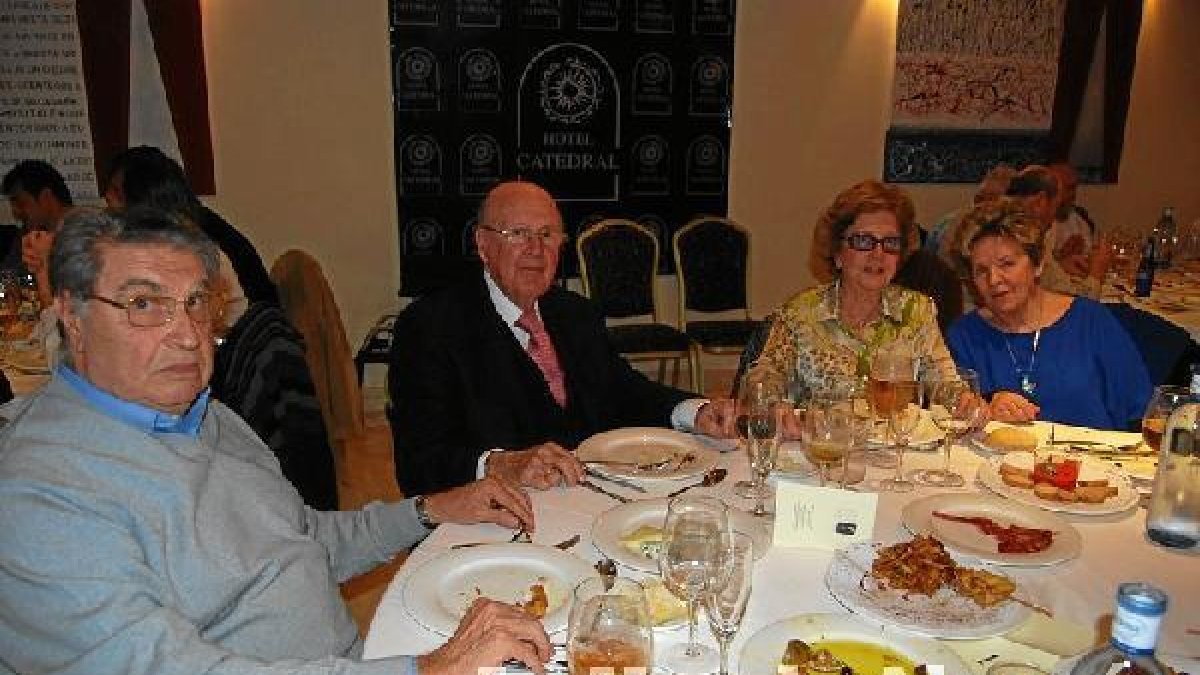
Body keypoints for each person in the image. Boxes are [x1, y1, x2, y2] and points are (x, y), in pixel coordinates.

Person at [0, 207, 551, 675]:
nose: (187, 335)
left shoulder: (207, 418)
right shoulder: (37, 495)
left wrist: (428, 510)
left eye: (195, 302)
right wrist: (425, 669)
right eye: (144, 304)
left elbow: (301, 540)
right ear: (71, 315)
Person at [387, 180, 736, 496]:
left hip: (591, 499)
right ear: (483, 244)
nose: (535, 249)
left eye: (547, 234)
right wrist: (500, 464)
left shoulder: (576, 313)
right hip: (498, 513)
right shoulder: (430, 327)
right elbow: (420, 462)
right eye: (518, 233)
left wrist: (695, 412)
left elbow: (623, 390)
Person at [945, 198, 1151, 429]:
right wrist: (987, 407)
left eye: (1007, 264)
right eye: (981, 271)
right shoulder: (964, 337)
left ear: (1038, 264)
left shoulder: (1091, 322)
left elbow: (1142, 412)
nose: (994, 280)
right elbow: (953, 414)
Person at [750, 179, 958, 400]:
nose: (878, 254)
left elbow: (946, 385)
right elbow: (762, 384)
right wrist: (774, 405)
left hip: (894, 424)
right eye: (863, 241)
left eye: (890, 242)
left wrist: (963, 400)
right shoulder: (800, 314)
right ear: (837, 253)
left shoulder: (917, 311)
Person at [104, 145, 280, 323]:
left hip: (244, 331)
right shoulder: (196, 220)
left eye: (117, 192)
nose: (108, 199)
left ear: (142, 200)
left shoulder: (190, 242)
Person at [1005, 164, 1108, 299]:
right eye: (1055, 206)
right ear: (1040, 201)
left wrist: (1060, 264)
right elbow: (1079, 303)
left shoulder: (1006, 226)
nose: (1054, 218)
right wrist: (1097, 271)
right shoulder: (1025, 240)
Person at [2, 159, 73, 306]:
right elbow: (7, 277)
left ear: (46, 197)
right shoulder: (29, 233)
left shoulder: (86, 234)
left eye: (21, 203)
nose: (15, 213)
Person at [1046, 162, 1112, 295]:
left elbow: (1087, 257)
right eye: (1067, 188)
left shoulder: (1078, 220)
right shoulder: (1034, 227)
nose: (1072, 194)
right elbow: (1084, 304)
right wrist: (1097, 272)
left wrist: (1065, 262)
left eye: (1074, 188)